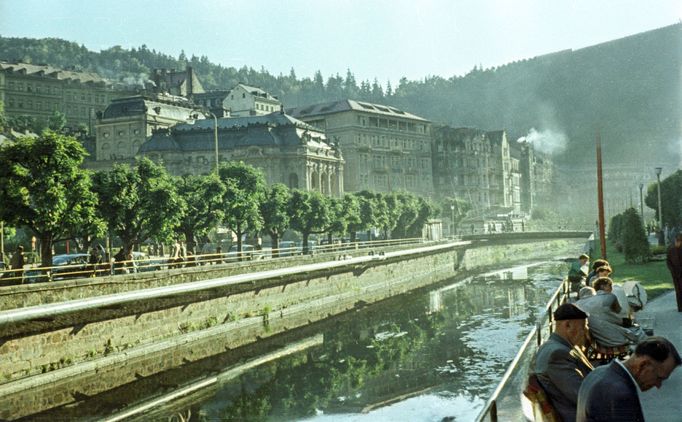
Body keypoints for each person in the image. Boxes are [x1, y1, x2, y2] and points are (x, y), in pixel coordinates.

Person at [576, 336, 681, 422]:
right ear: (643, 365)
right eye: (659, 378)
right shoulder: (620, 394)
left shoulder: (599, 371)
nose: (658, 385)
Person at [534, 303, 593, 422]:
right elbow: (582, 397)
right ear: (567, 325)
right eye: (583, 327)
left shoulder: (558, 346)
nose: (585, 332)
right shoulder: (558, 354)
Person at [576, 277, 647, 348]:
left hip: (597, 336)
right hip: (611, 338)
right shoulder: (610, 297)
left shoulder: (579, 304)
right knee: (637, 331)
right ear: (602, 286)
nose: (611, 288)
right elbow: (621, 314)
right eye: (609, 285)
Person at [665, 233, 682, 312]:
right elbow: (668, 261)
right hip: (675, 273)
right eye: (677, 241)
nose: (677, 243)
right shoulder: (671, 249)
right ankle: (680, 307)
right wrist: (672, 269)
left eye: (679, 241)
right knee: (678, 290)